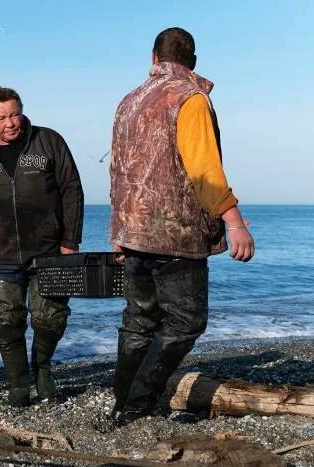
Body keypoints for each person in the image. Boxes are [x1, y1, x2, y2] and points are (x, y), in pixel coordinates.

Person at [109, 27, 255, 426]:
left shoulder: (128, 102)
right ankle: (138, 404)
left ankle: (122, 404)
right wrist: (234, 221)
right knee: (187, 322)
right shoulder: (189, 98)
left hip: (134, 231)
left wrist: (118, 232)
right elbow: (204, 169)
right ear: (192, 60)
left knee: (139, 322)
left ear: (154, 58)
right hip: (175, 234)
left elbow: (118, 171)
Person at [0, 86, 85, 407]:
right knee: (6, 321)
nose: (10, 122)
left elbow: (72, 191)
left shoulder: (49, 142)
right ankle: (18, 383)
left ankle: (43, 369)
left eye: (14, 113)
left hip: (49, 251)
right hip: (1, 255)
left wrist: (70, 242)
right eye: (2, 117)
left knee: (51, 318)